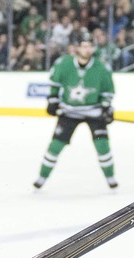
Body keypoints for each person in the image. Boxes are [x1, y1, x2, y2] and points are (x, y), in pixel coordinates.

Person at [33, 30, 117, 189]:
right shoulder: (63, 63)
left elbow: (108, 91)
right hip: (69, 112)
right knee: (55, 145)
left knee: (102, 145)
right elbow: (54, 85)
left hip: (94, 113)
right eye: (83, 46)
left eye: (90, 46)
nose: (87, 49)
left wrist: (106, 108)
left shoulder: (102, 67)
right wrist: (53, 100)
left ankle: (111, 178)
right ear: (76, 48)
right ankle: (41, 178)